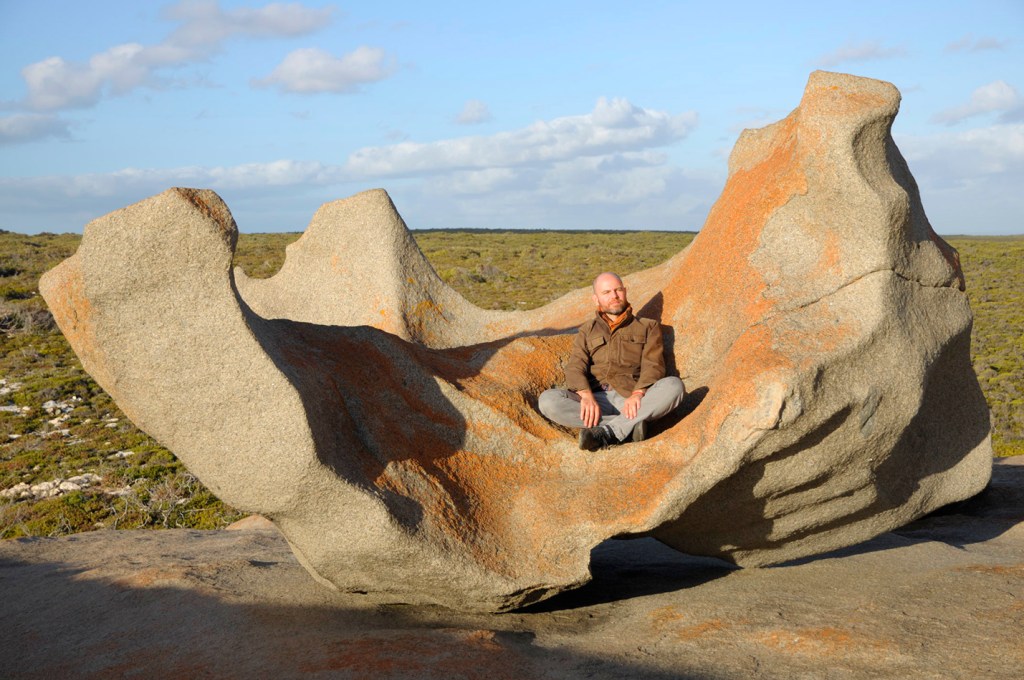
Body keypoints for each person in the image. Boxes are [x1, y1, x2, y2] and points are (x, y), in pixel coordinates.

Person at [538, 272, 685, 451]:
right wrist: (585, 395)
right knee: (548, 400)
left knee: (674, 386)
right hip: (596, 402)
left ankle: (607, 431)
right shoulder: (587, 330)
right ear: (596, 298)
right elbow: (575, 366)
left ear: (625, 291)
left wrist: (638, 393)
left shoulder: (648, 326)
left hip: (632, 400)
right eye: (606, 292)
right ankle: (628, 427)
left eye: (618, 290)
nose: (614, 296)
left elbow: (653, 365)